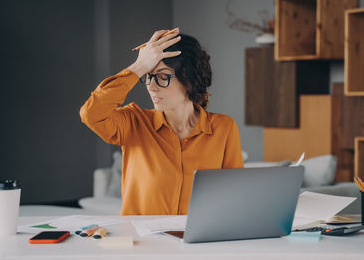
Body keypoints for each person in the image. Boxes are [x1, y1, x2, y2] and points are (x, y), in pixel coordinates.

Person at [80, 28, 244, 215]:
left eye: (163, 77)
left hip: (199, 242)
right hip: (143, 242)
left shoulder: (223, 128)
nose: (151, 86)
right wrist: (138, 67)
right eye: (148, 76)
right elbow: (91, 113)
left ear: (190, 78)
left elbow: (234, 194)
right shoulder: (134, 123)